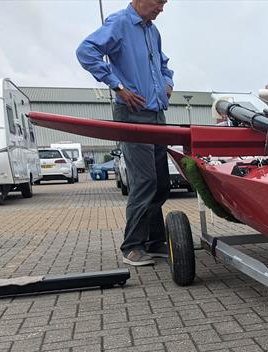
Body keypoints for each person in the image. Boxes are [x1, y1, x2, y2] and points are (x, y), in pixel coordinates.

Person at [77, 0, 174, 267]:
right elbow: (86, 51)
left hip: (156, 114)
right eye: (159, 2)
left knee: (161, 183)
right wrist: (117, 86)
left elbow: (165, 66)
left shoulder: (152, 31)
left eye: (165, 3)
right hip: (132, 114)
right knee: (144, 181)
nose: (161, 9)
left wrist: (167, 83)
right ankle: (132, 246)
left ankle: (155, 242)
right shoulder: (119, 23)